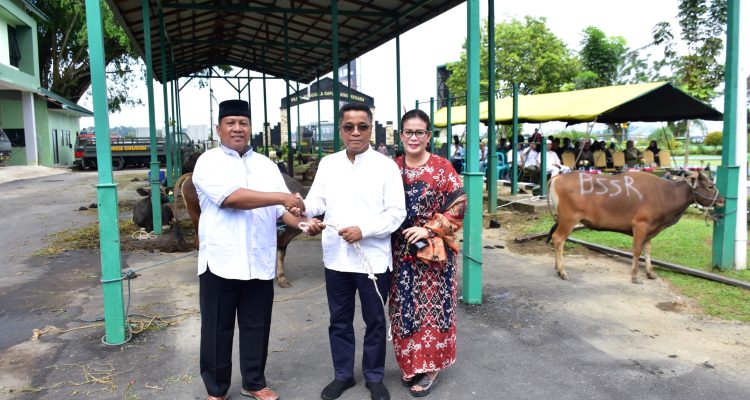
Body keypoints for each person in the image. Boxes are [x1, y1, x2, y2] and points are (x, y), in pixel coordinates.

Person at [192, 99, 308, 400]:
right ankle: (216, 388)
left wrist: (305, 223)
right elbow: (231, 198)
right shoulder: (208, 162)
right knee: (217, 329)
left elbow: (281, 212)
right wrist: (282, 197)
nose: (237, 128)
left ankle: (254, 382)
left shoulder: (266, 165)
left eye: (242, 123)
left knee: (257, 325)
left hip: (258, 259)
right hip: (221, 260)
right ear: (218, 128)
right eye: (230, 123)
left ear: (250, 128)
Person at [303, 102, 406, 400]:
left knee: (375, 320)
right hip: (336, 258)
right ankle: (343, 375)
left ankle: (374, 376)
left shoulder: (386, 167)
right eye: (349, 127)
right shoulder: (329, 164)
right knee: (339, 320)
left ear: (371, 129)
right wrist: (304, 211)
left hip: (372, 260)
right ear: (341, 130)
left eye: (362, 127)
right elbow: (316, 202)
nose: (356, 132)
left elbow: (396, 213)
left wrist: (364, 229)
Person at [389, 109, 466, 397]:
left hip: (434, 256)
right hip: (400, 254)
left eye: (419, 132)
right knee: (403, 309)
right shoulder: (392, 168)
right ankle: (411, 365)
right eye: (409, 132)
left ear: (428, 136)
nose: (414, 137)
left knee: (432, 312)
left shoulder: (442, 167)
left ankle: (431, 369)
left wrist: (428, 229)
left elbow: (459, 205)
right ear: (401, 135)